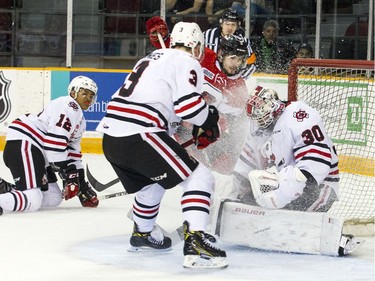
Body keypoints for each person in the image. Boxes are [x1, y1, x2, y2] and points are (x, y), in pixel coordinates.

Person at [96, 21, 228, 269]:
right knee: (199, 177)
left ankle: (144, 233)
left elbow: (165, 108)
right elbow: (189, 107)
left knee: (152, 180)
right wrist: (209, 120)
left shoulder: (149, 59)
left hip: (112, 138)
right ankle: (197, 242)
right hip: (142, 133)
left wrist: (191, 125)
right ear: (196, 45)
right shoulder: (188, 62)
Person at [212, 85, 361, 257]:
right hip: (282, 181)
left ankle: (333, 237)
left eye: (262, 116)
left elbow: (316, 162)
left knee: (284, 211)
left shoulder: (298, 116)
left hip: (318, 185)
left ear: (274, 107)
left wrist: (282, 196)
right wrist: (241, 195)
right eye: (256, 118)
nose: (259, 122)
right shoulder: (257, 127)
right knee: (253, 190)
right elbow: (248, 161)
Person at [146, 16, 250, 174]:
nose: (236, 64)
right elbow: (176, 50)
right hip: (179, 124)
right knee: (194, 171)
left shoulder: (238, 85)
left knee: (226, 168)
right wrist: (162, 37)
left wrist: (217, 130)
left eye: (241, 60)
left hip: (209, 133)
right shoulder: (205, 56)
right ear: (221, 54)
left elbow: (236, 118)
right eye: (233, 58)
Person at [0, 76, 99, 215]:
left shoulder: (80, 121)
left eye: (91, 95)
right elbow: (54, 144)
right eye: (84, 93)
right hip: (27, 144)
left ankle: (6, 189)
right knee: (33, 200)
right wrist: (68, 173)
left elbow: (72, 153)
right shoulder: (68, 106)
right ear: (73, 93)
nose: (88, 98)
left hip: (38, 152)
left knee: (53, 198)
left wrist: (81, 184)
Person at [203, 8, 256, 79]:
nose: (230, 28)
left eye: (233, 25)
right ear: (221, 24)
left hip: (228, 78)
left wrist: (237, 79)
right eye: (227, 24)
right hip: (208, 75)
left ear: (237, 26)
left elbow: (251, 64)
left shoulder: (243, 42)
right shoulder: (207, 35)